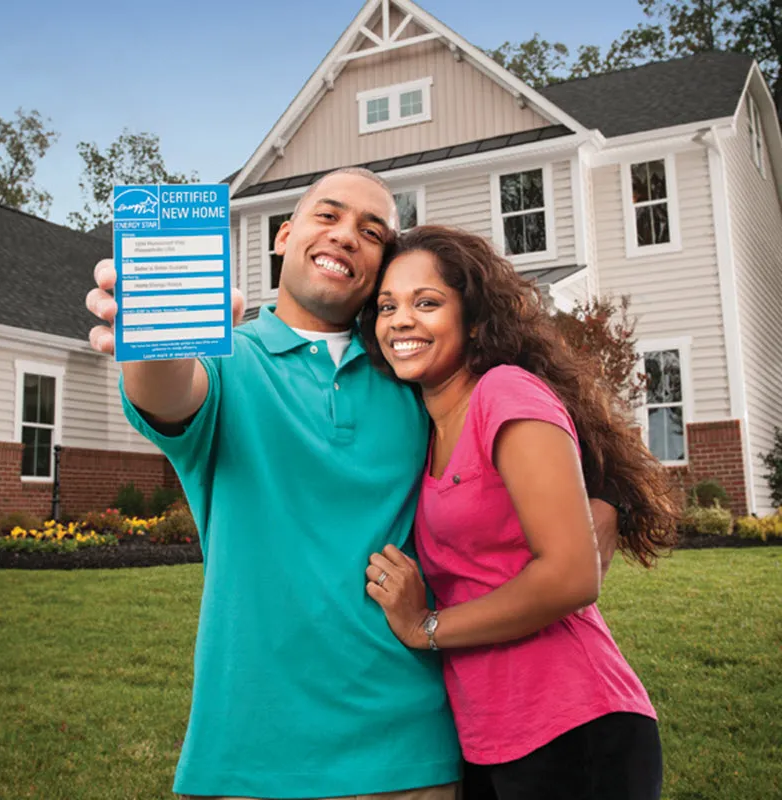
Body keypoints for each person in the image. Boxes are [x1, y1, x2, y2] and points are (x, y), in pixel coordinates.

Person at [86, 169, 625, 800]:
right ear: (284, 236)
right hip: (251, 754)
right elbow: (168, 391)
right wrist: (156, 335)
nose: (347, 236)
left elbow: (548, 459)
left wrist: (599, 517)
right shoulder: (225, 362)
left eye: (372, 232)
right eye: (328, 216)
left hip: (410, 754)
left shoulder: (414, 376)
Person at [358, 225, 678, 800]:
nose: (401, 320)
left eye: (426, 303)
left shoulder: (505, 393)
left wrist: (423, 626)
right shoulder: (426, 429)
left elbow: (570, 576)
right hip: (487, 736)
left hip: (574, 724)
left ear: (475, 319)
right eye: (387, 306)